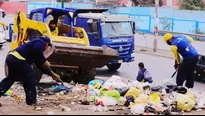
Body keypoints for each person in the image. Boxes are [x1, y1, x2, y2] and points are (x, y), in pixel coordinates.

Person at [0, 36, 62, 105]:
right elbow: (38, 51)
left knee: (11, 78)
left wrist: (51, 74)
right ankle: (31, 101)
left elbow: (40, 65)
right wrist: (44, 60)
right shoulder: (40, 42)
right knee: (30, 77)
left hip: (11, 57)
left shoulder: (34, 46)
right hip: (19, 59)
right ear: (47, 44)